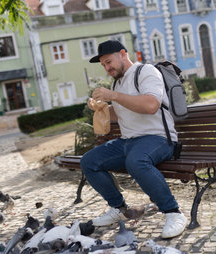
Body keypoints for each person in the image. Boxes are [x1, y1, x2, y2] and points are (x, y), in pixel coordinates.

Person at [80, 40, 187, 239]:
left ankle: (173, 212)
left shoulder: (146, 72)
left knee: (136, 161)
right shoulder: (117, 82)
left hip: (158, 138)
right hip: (129, 141)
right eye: (103, 65)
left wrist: (114, 95)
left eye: (109, 62)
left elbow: (150, 105)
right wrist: (101, 109)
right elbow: (121, 113)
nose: (107, 68)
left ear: (122, 54)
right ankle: (119, 208)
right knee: (89, 161)